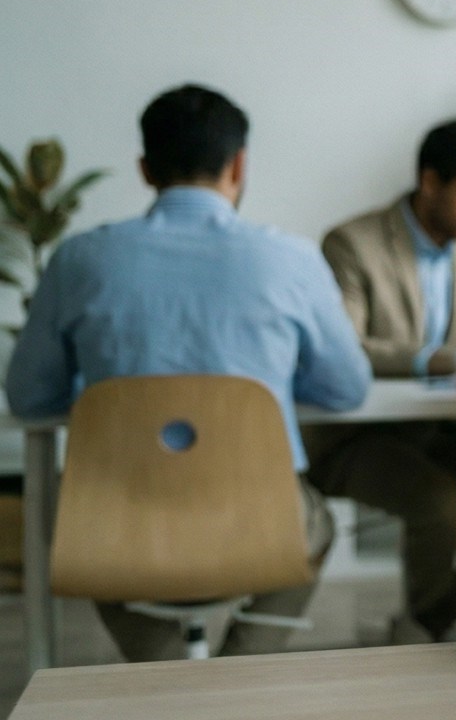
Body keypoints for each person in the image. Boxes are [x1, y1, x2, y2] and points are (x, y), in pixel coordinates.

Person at [4, 84, 370, 661]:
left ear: (145, 168)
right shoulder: (292, 260)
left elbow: (28, 397)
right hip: (258, 521)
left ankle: (164, 672)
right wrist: (267, 381)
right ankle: (242, 664)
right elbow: (348, 389)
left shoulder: (78, 259)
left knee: (89, 521)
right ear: (239, 165)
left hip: (118, 523)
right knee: (314, 524)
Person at [308, 119, 456, 643]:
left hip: (440, 429)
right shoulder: (351, 244)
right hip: (356, 438)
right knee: (440, 504)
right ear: (430, 182)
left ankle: (429, 623)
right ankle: (427, 640)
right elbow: (347, 349)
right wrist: (438, 359)